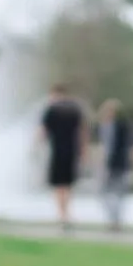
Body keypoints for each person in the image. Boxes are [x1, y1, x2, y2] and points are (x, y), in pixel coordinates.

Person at [40, 84, 85, 231]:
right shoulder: (75, 110)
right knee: (68, 185)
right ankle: (67, 215)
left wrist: (36, 148)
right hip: (71, 152)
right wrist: (83, 151)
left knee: (59, 186)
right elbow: (82, 132)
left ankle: (62, 216)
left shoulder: (51, 110)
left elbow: (42, 132)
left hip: (57, 152)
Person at [97, 99, 133, 230]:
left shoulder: (113, 127)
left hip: (113, 164)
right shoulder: (118, 126)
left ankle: (115, 221)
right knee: (114, 194)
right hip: (119, 164)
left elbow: (109, 148)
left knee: (110, 193)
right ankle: (114, 220)